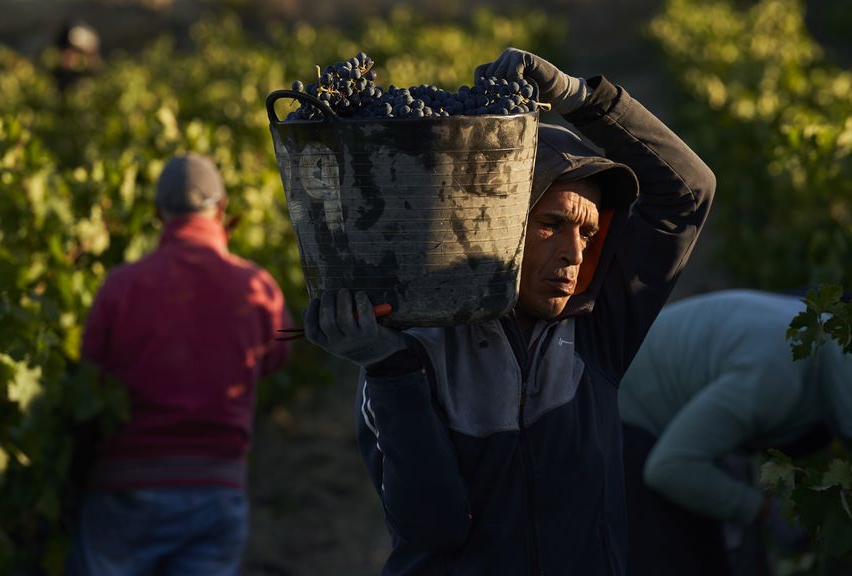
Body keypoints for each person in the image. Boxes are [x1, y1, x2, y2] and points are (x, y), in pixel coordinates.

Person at [303, 48, 716, 575]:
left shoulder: (595, 330)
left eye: (588, 234)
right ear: (492, 224)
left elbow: (689, 193)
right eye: (551, 225)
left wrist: (579, 96)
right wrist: (389, 372)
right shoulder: (417, 346)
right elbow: (434, 526)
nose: (574, 253)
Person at [68, 153, 292, 575]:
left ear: (157, 213)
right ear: (222, 208)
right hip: (218, 489)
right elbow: (277, 356)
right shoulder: (258, 287)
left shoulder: (120, 287)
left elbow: (89, 381)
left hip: (127, 488)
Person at [618, 289, 852, 575]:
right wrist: (764, 510)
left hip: (644, 396)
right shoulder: (774, 381)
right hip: (624, 417)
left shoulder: (818, 331)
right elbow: (669, 468)